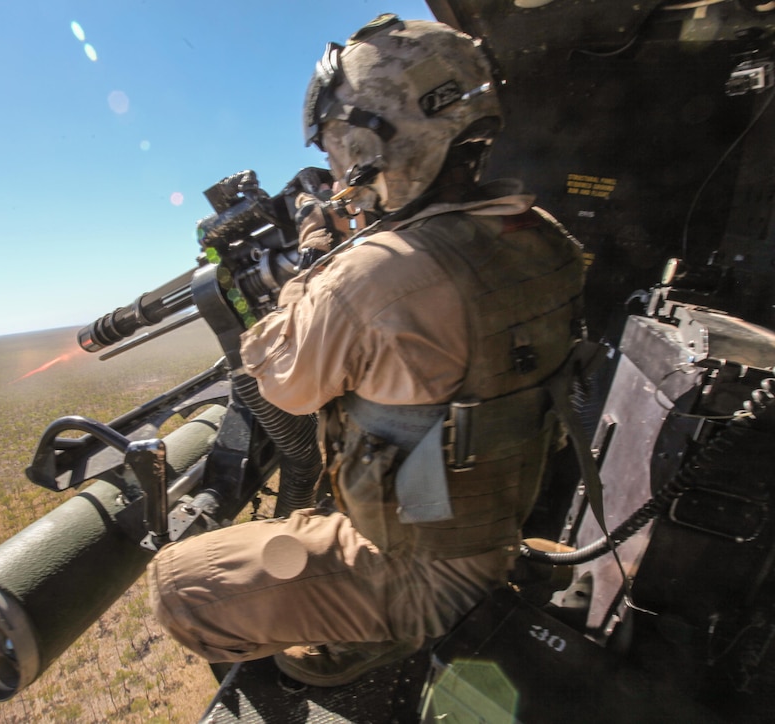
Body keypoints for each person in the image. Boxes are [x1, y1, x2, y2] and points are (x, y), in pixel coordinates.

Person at [147, 14, 586, 687]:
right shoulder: (545, 237)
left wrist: (319, 258)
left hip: (421, 572)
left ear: (368, 141)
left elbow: (282, 381)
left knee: (179, 590)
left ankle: (370, 638)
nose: (330, 164)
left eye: (332, 146)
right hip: (491, 520)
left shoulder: (376, 276)